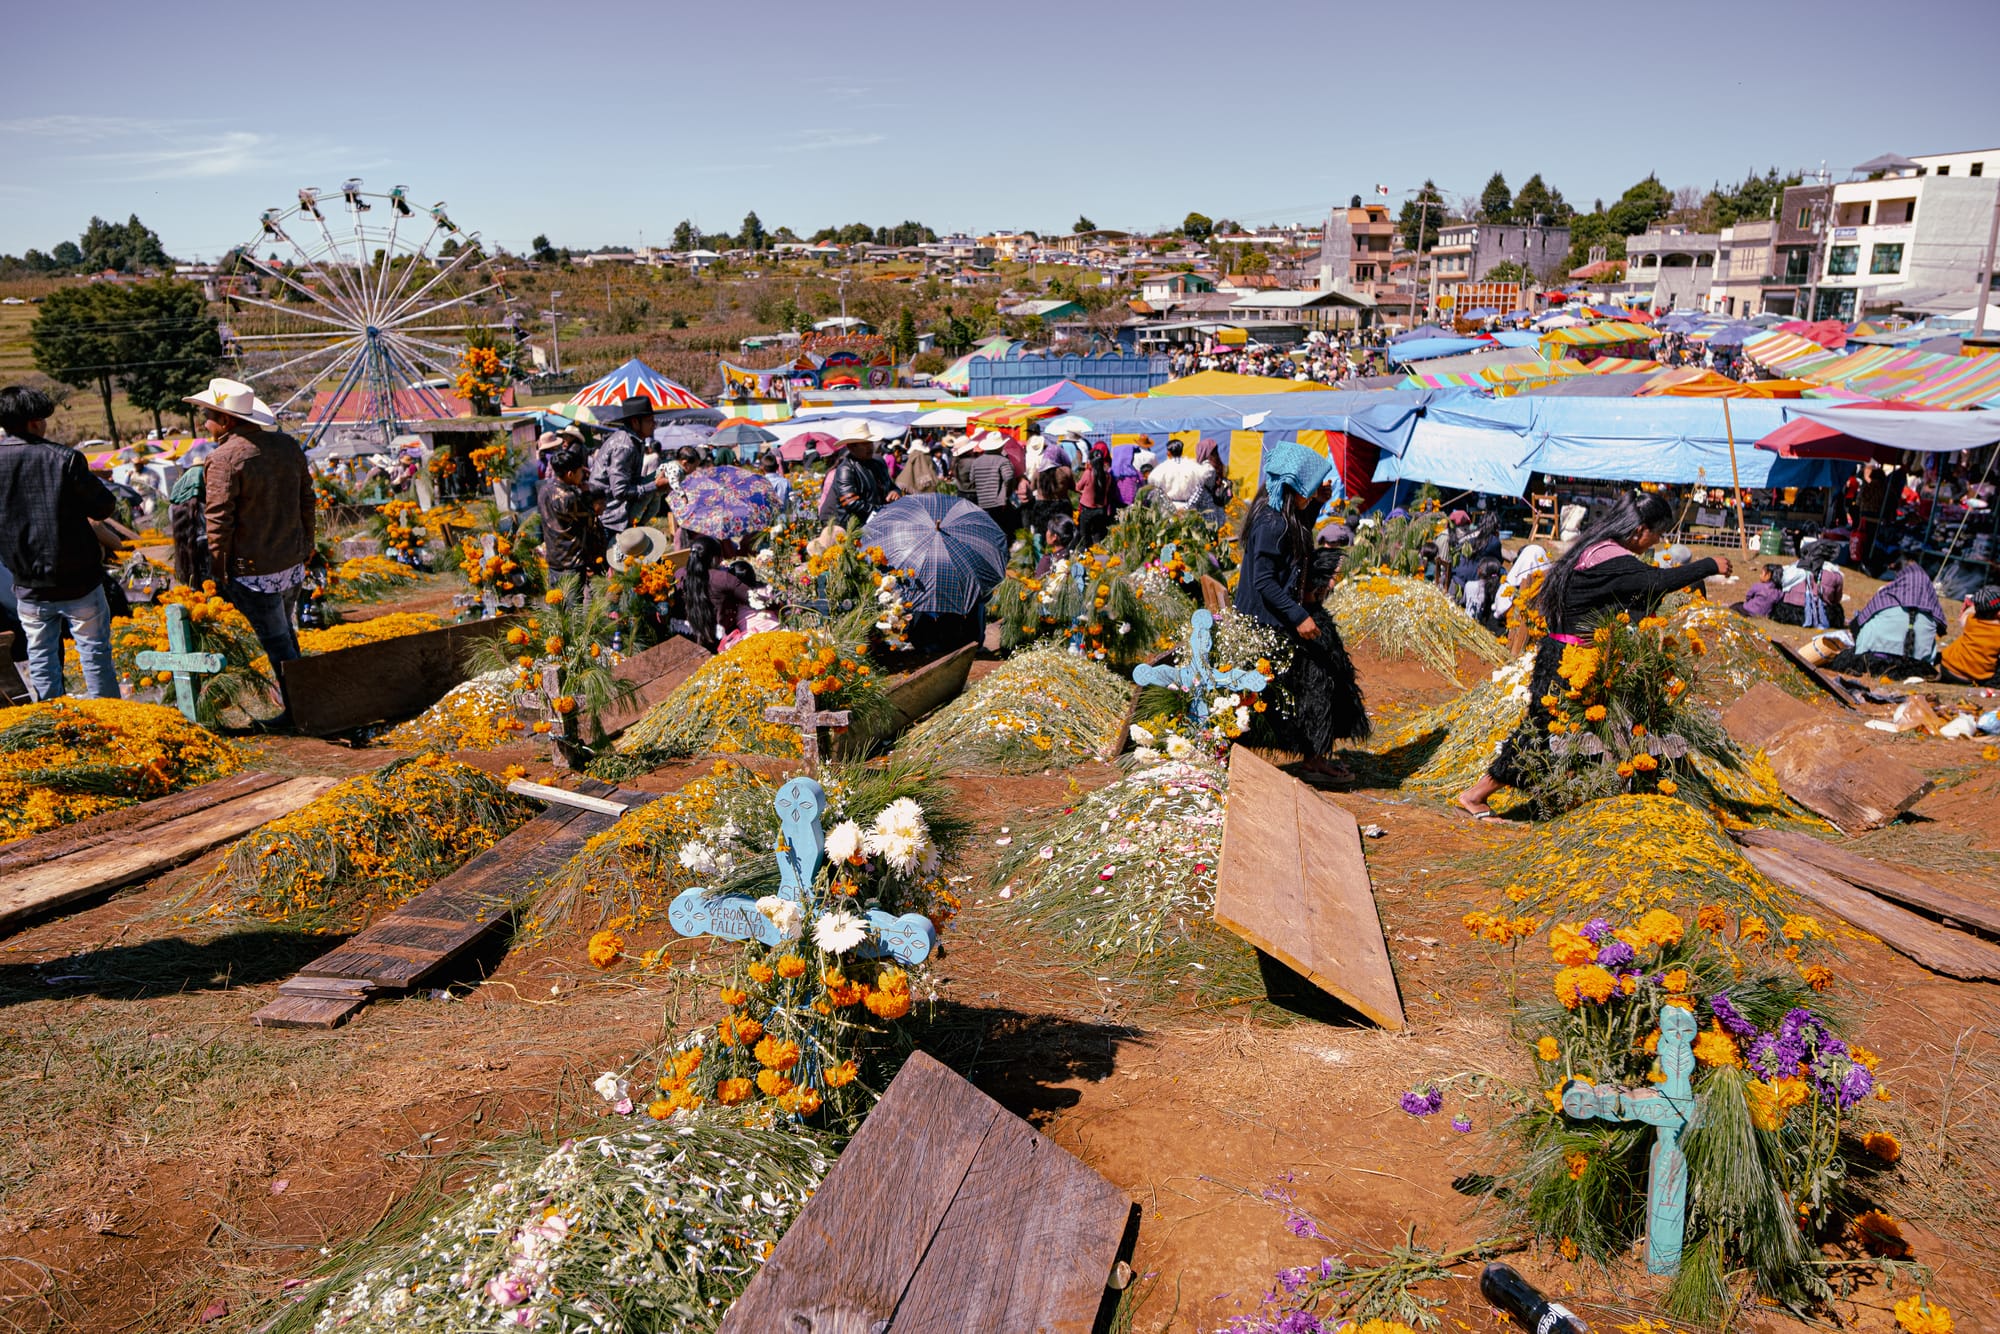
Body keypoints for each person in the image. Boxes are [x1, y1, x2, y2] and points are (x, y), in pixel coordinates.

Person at [1456, 492, 1729, 819]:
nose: (1656, 542)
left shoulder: (1596, 548)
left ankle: (1574, 795)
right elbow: (1655, 581)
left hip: (1563, 656)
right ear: (1640, 530)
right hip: (1565, 664)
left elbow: (1631, 595)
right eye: (1656, 535)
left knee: (1564, 730)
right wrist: (1710, 565)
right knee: (1541, 731)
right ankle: (1476, 795)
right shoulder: (1611, 558)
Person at [1234, 439, 1368, 780]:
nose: (1318, 489)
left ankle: (1315, 757)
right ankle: (1310, 760)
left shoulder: (1279, 511)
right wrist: (1300, 617)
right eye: (1312, 486)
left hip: (1279, 618)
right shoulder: (1271, 523)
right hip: (1269, 623)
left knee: (1320, 681)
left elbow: (1297, 530)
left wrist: (1313, 507)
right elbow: (1264, 581)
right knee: (1314, 683)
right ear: (1296, 485)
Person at [193, 377, 315, 692]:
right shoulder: (287, 445)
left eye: (208, 415)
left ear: (226, 419)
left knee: (277, 643)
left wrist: (218, 570)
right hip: (291, 562)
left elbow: (219, 520)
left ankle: (300, 707)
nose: (205, 424)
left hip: (254, 572)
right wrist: (307, 546)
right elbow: (307, 500)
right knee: (285, 633)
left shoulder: (223, 459)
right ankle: (302, 699)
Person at [0, 384, 121, 700]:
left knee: (41, 656)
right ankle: (108, 721)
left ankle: (52, 725)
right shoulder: (64, 459)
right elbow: (103, 506)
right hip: (78, 578)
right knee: (94, 653)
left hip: (26, 580)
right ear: (35, 422)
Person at [1827, 550, 1945, 677]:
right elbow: (1940, 629)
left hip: (1872, 656)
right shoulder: (1931, 604)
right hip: (1916, 662)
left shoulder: (1886, 595)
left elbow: (1857, 624)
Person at [587, 397, 665, 533]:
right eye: (649, 421)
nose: (654, 424)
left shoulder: (634, 441)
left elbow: (631, 481)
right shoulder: (625, 446)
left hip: (616, 517)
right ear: (635, 422)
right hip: (610, 520)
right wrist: (654, 485)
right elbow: (620, 491)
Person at [677, 530, 759, 652]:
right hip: (721, 642)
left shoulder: (680, 575)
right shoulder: (723, 579)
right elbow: (753, 599)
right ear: (714, 558)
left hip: (687, 636)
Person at [538, 444, 605, 585]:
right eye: (580, 471)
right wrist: (586, 493)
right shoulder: (568, 497)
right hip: (570, 561)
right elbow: (590, 518)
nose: (583, 474)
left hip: (553, 557)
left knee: (559, 603)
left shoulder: (544, 490)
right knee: (573, 604)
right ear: (570, 474)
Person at [953, 432, 1018, 536]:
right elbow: (1009, 477)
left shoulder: (974, 461)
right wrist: (1005, 494)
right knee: (1001, 528)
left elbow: (972, 478)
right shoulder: (1003, 460)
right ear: (1001, 446)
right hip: (997, 501)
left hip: (981, 500)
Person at [1939, 585, 2000, 686]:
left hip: (1947, 667)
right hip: (1972, 676)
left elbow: (1967, 613)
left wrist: (1973, 606)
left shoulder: (1970, 620)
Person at [1075, 441, 1116, 547]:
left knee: (1085, 536)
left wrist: (1084, 492)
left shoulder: (1088, 473)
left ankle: (1086, 557)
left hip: (1087, 509)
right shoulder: (1107, 476)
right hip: (1101, 509)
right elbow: (1106, 492)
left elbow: (1078, 487)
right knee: (1098, 536)